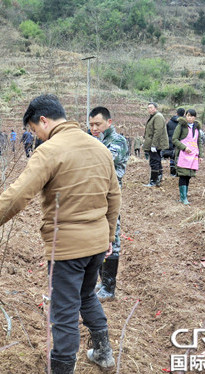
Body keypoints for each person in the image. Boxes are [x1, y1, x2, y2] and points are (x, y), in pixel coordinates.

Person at [0, 95, 120, 374]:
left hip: (67, 248)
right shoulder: (99, 147)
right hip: (95, 243)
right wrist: (109, 236)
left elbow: (20, 193)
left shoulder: (50, 150)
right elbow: (114, 195)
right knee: (86, 295)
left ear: (43, 120)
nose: (35, 135)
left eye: (34, 130)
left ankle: (61, 373)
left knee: (64, 312)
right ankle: (103, 353)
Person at [89, 106, 129, 302]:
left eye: (98, 124)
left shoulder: (118, 141)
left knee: (113, 238)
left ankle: (109, 288)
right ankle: (102, 282)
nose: (94, 128)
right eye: (91, 124)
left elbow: (103, 161)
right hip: (96, 195)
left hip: (111, 197)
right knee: (98, 237)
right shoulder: (96, 141)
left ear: (109, 122)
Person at [172, 109, 204, 205]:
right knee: (183, 175)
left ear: (195, 117)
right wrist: (184, 147)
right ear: (185, 116)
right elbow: (174, 139)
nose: (190, 118)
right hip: (183, 155)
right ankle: (183, 198)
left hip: (193, 155)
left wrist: (200, 155)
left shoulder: (197, 128)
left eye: (192, 116)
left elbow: (198, 142)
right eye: (188, 116)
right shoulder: (181, 126)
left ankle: (184, 196)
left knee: (188, 176)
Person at [142, 102, 168, 187]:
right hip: (153, 142)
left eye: (151, 107)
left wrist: (153, 145)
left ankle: (153, 180)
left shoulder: (158, 117)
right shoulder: (153, 116)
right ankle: (158, 179)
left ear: (156, 108)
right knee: (157, 160)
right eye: (148, 108)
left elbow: (158, 131)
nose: (149, 109)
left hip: (156, 143)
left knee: (154, 161)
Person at [164, 108, 185, 177]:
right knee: (180, 157)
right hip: (181, 143)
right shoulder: (184, 123)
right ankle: (180, 172)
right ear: (184, 114)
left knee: (172, 158)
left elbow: (166, 132)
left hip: (171, 142)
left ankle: (172, 172)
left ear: (177, 113)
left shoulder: (170, 122)